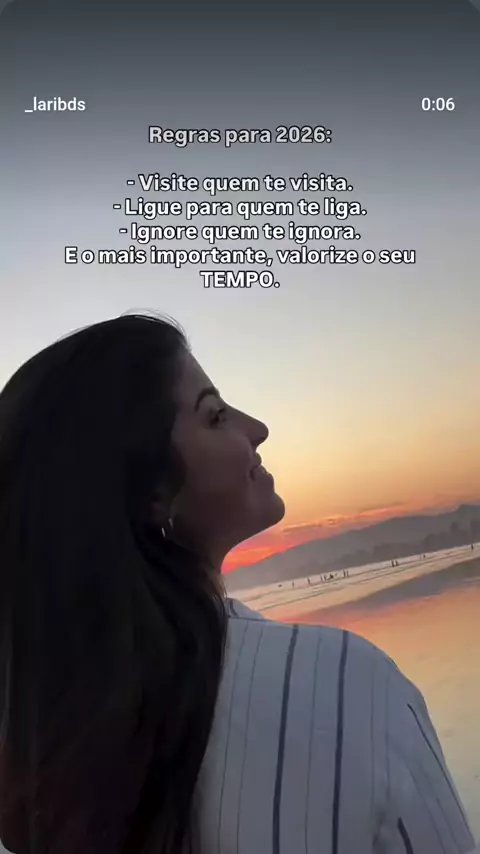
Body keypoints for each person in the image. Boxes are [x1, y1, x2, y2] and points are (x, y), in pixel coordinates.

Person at [0, 314, 475, 854]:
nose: (257, 428)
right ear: (153, 493)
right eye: (216, 415)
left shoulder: (36, 753)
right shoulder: (350, 686)